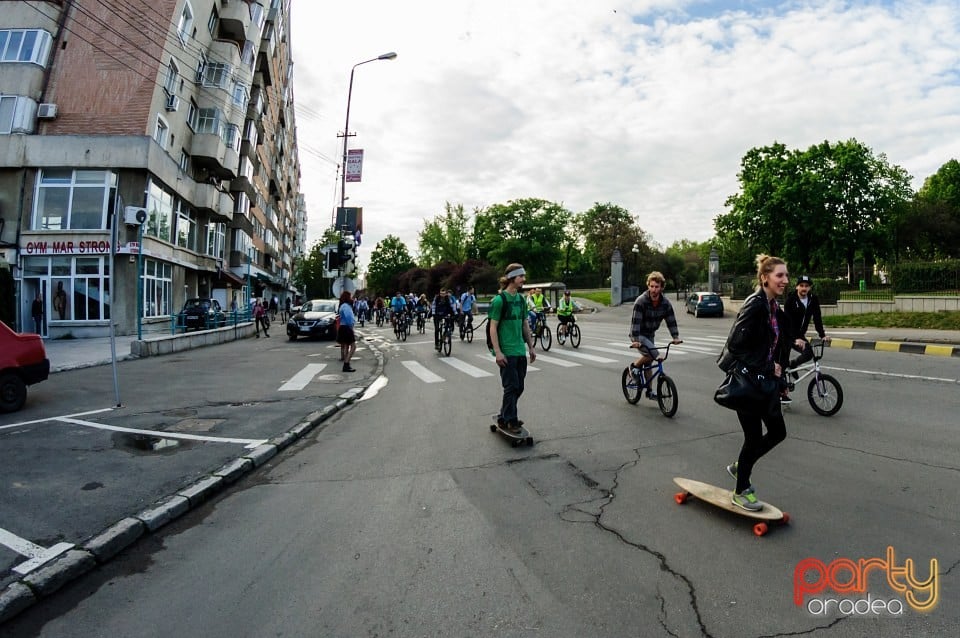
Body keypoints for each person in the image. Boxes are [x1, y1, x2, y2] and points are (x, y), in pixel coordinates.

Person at [719, 254, 791, 512]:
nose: (785, 280)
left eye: (786, 275)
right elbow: (736, 345)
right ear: (765, 278)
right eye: (779, 275)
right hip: (747, 382)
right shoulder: (755, 305)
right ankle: (741, 490)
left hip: (765, 381)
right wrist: (768, 366)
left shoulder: (773, 307)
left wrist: (780, 376)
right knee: (752, 438)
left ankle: (741, 466)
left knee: (778, 432)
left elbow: (776, 346)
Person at [489, 264, 536, 434]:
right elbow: (492, 327)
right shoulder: (499, 301)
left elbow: (524, 324)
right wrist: (498, 352)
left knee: (519, 387)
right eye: (521, 276)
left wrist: (530, 347)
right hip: (506, 351)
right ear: (512, 278)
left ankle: (504, 415)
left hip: (519, 350)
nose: (524, 279)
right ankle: (511, 420)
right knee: (511, 386)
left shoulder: (521, 299)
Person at [628, 272, 682, 399]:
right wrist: (635, 340)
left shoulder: (665, 303)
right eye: (651, 286)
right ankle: (634, 367)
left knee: (649, 363)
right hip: (638, 334)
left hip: (650, 334)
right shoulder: (641, 302)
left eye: (657, 287)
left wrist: (675, 337)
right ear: (648, 286)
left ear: (662, 287)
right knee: (654, 355)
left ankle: (649, 391)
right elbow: (635, 322)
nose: (654, 290)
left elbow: (671, 320)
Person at [783, 275, 830, 400]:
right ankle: (782, 394)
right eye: (802, 285)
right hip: (787, 335)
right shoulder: (791, 300)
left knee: (809, 353)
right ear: (797, 286)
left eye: (807, 286)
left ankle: (793, 364)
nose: (804, 288)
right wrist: (794, 339)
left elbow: (817, 318)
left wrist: (823, 335)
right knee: (781, 365)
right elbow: (788, 322)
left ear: (810, 287)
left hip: (800, 335)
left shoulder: (813, 299)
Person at [337, 291, 357, 372]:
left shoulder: (342, 306)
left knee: (345, 345)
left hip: (342, 327)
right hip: (347, 327)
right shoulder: (346, 306)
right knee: (353, 346)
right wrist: (351, 326)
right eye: (350, 297)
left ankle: (346, 363)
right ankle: (346, 364)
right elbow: (349, 318)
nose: (351, 298)